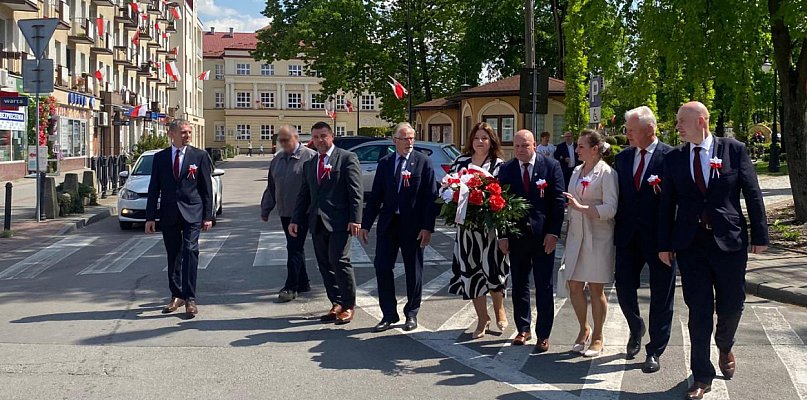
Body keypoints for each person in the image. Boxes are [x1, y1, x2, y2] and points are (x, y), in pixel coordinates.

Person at [658, 101, 768, 400]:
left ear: (702, 122)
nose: (677, 125)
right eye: (678, 120)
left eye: (683, 120)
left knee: (732, 305)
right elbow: (667, 203)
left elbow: (752, 193)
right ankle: (701, 375)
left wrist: (760, 234)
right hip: (691, 245)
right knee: (699, 311)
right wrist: (664, 244)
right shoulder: (674, 158)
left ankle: (725, 343)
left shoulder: (734, 150)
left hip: (729, 242)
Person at [360, 122, 439, 332]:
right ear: (394, 140)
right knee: (382, 267)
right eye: (404, 138)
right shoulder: (386, 162)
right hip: (388, 224)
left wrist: (427, 227)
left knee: (414, 271)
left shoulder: (423, 162)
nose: (409, 142)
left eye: (412, 138)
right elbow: (376, 195)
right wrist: (365, 224)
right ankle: (388, 314)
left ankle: (411, 313)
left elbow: (431, 198)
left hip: (413, 226)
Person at [613, 106, 674, 373]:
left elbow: (676, 202)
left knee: (662, 295)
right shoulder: (623, 158)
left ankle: (655, 350)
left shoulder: (671, 157)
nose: (627, 135)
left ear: (650, 130)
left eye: (632, 130)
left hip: (660, 239)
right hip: (628, 236)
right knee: (624, 288)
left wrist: (671, 241)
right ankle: (636, 326)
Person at [497, 129, 565, 352]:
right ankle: (522, 328)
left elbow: (557, 202)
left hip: (543, 237)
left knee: (544, 286)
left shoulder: (551, 166)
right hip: (517, 238)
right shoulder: (506, 169)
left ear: (534, 145)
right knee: (519, 285)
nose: (520, 150)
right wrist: (503, 235)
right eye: (516, 146)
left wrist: (553, 233)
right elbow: (501, 205)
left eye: (524, 145)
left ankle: (543, 334)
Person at [290, 121, 363, 324]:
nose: (320, 140)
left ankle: (348, 305)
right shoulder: (310, 164)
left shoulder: (347, 158)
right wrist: (296, 219)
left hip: (340, 221)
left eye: (323, 136)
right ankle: (336, 303)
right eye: (316, 137)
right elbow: (304, 195)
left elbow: (355, 192)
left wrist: (355, 219)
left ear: (331, 137)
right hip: (317, 221)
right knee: (324, 264)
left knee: (340, 261)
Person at [145, 119, 214, 317]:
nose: (188, 136)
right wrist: (150, 217)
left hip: (192, 211)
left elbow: (205, 188)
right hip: (168, 213)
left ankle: (190, 298)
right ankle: (176, 295)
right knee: (173, 255)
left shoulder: (199, 156)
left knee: (191, 251)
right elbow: (153, 189)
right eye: (183, 132)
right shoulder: (160, 158)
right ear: (172, 134)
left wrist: (207, 216)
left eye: (189, 132)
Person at [446, 122, 509, 338]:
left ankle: (499, 308)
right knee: (471, 273)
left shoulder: (499, 165)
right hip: (467, 230)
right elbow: (449, 187)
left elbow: (504, 196)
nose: (480, 142)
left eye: (484, 138)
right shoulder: (460, 162)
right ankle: (482, 318)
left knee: (493, 270)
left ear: (491, 141)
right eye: (476, 138)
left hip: (490, 230)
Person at [559, 129, 618, 358]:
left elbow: (611, 208)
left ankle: (598, 336)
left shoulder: (607, 173)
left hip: (598, 236)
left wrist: (583, 208)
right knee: (574, 284)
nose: (576, 149)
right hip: (576, 235)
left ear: (595, 149)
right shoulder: (576, 170)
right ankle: (584, 328)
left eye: (581, 146)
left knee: (595, 288)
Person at [261, 125, 317, 302]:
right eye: (281, 141)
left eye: (286, 140)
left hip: (303, 212)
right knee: (296, 247)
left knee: (293, 248)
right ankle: (303, 282)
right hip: (285, 211)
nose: (283, 143)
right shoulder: (277, 159)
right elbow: (272, 186)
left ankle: (291, 286)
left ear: (296, 138)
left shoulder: (310, 157)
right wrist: (266, 208)